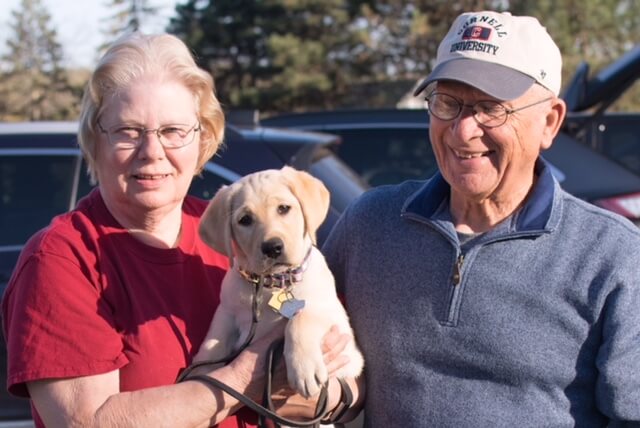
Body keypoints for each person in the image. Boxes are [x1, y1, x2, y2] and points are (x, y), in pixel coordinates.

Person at [2, 33, 361, 427]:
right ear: (95, 141)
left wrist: (329, 392)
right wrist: (249, 373)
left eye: (173, 130)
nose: (152, 151)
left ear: (202, 139)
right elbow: (86, 423)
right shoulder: (63, 260)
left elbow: (347, 375)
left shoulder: (233, 231)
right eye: (127, 131)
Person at [322, 10, 640, 426]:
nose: (462, 130)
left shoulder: (611, 255)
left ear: (549, 122)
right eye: (448, 103)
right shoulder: (371, 223)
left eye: (491, 108)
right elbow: (291, 327)